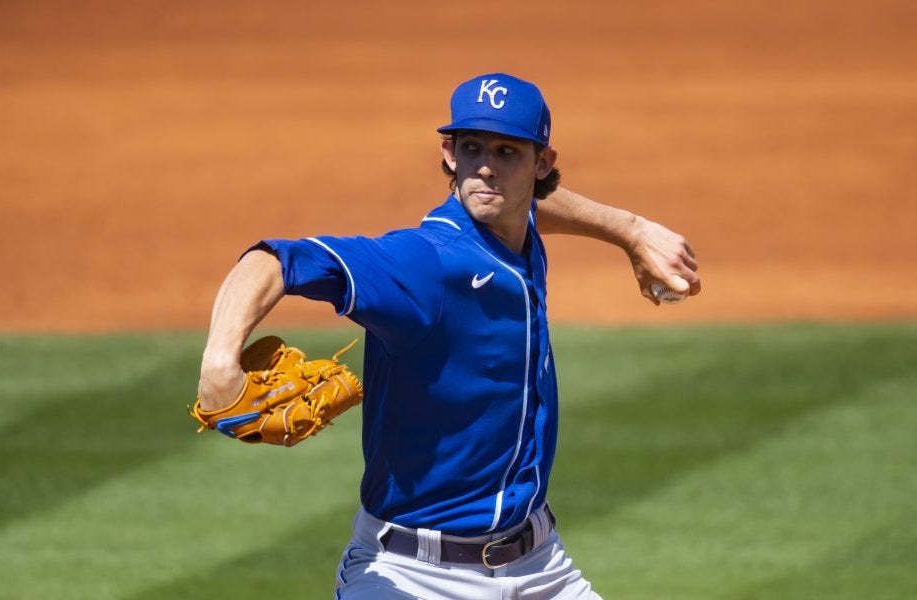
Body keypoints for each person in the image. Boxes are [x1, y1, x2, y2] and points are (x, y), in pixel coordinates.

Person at [197, 72, 700, 599]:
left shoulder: (514, 227)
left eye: (507, 151)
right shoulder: (425, 264)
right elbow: (275, 260)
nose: (485, 166)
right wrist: (218, 363)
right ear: (448, 154)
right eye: (471, 148)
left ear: (542, 164)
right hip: (410, 575)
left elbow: (532, 204)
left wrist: (631, 231)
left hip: (540, 569)